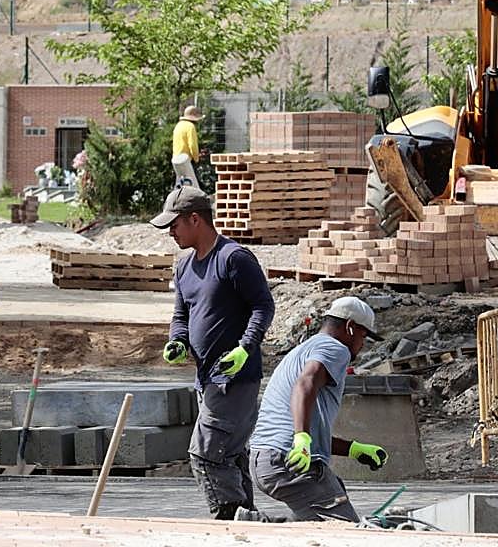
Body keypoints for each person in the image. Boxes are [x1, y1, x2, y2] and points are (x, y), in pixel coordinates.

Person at [149, 185, 275, 520]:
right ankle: (251, 526)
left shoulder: (233, 258)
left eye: (174, 225)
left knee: (205, 455)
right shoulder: (183, 266)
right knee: (229, 455)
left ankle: (230, 520)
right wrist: (177, 340)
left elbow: (263, 306)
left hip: (235, 378)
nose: (170, 233)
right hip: (206, 380)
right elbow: (182, 315)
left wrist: (246, 347)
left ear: (195, 219)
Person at [248, 296, 389, 522]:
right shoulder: (335, 348)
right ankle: (255, 526)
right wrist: (302, 439)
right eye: (363, 337)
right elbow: (305, 384)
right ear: (350, 328)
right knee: (344, 530)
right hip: (289, 461)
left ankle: (257, 525)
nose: (362, 346)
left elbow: (298, 422)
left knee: (321, 511)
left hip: (264, 460)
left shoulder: (302, 350)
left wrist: (354, 449)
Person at [171, 105, 203, 189]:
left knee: (180, 186)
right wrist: (196, 158)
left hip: (175, 159)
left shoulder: (178, 125)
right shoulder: (190, 126)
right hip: (185, 158)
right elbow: (192, 145)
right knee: (194, 187)